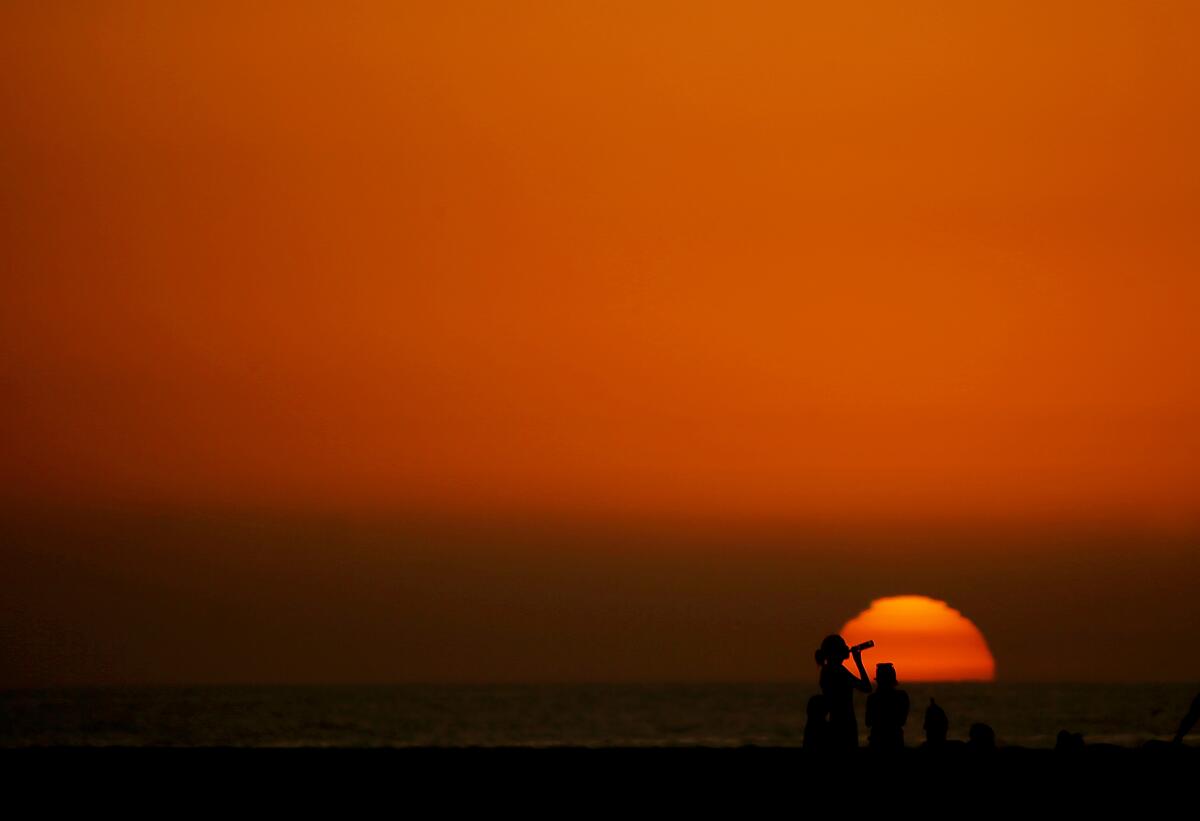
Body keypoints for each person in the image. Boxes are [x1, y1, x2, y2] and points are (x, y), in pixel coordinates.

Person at [814, 634, 872, 751]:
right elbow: (866, 687)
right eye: (842, 645)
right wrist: (858, 662)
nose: (846, 647)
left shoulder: (827, 670)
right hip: (845, 725)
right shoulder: (838, 671)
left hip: (835, 722)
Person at [865, 662, 909, 751]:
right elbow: (902, 721)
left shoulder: (872, 699)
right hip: (896, 740)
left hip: (877, 741)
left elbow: (868, 722)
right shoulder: (902, 696)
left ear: (878, 680)